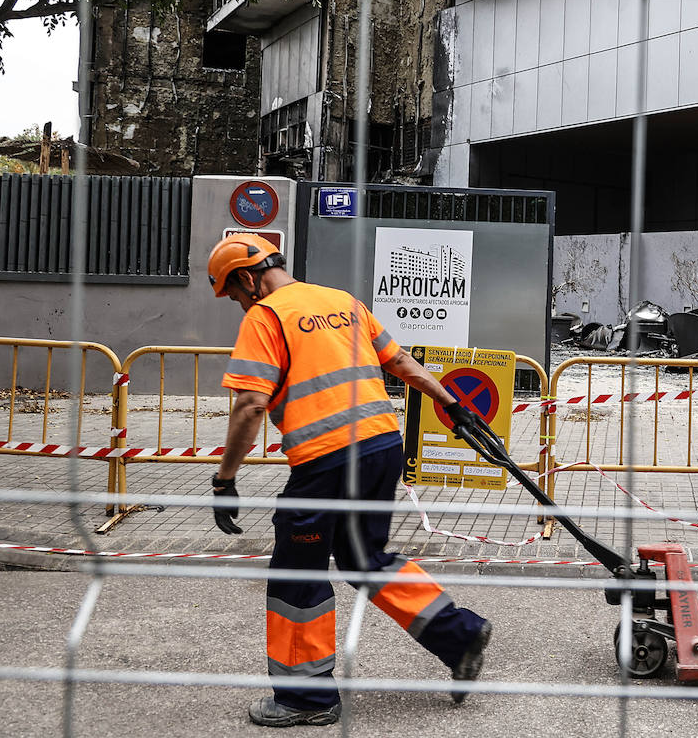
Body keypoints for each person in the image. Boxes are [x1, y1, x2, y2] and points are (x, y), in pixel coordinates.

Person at [206, 233, 491, 728]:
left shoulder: (266, 316)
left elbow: (250, 404)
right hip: (381, 446)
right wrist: (451, 405)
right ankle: (459, 633)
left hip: (327, 462)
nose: (236, 304)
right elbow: (401, 364)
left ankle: (305, 699)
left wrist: (225, 479)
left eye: (232, 294)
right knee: (366, 557)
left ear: (247, 279)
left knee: (299, 572)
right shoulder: (343, 303)